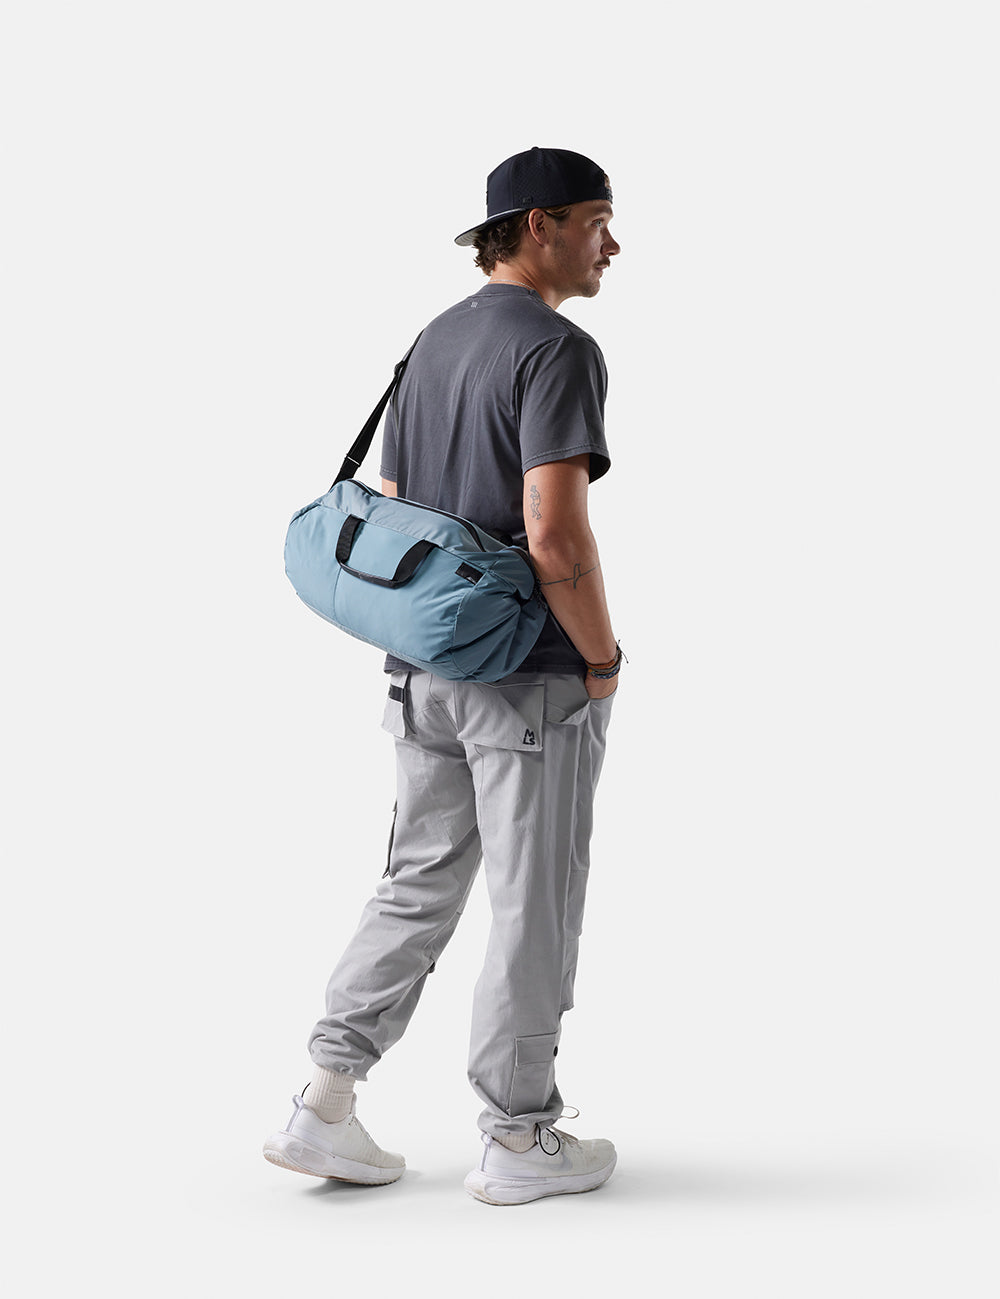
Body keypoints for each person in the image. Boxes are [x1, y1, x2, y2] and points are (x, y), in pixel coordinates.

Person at [264, 146, 623, 1206]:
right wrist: (599, 661)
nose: (615, 243)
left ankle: (323, 1103)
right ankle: (518, 1135)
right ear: (541, 223)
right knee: (533, 899)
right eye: (599, 219)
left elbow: (397, 496)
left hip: (419, 667)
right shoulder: (556, 349)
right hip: (526, 673)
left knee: (416, 880)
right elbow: (555, 538)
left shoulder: (437, 337)